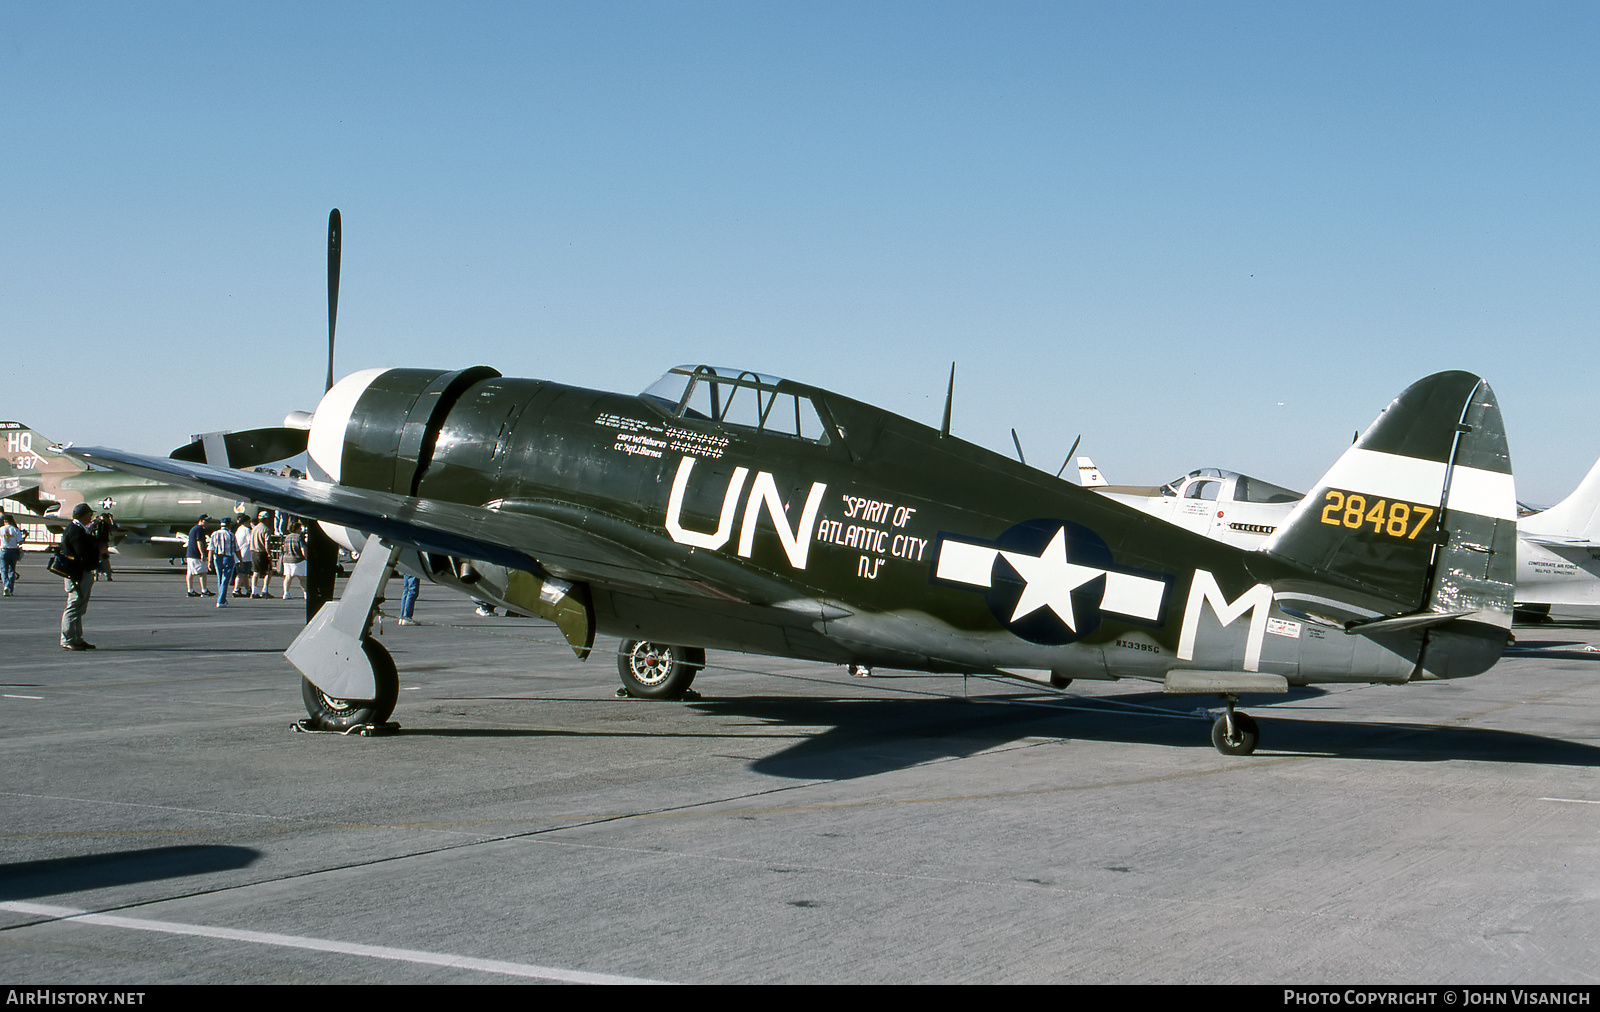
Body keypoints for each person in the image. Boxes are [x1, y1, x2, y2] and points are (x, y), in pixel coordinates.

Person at [59, 503, 98, 649]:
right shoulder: (75, 531)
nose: (91, 517)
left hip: (80, 572)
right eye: (89, 514)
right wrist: (95, 550)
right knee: (74, 606)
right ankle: (68, 639)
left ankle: (76, 637)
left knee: (79, 607)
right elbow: (82, 552)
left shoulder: (77, 529)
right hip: (77, 574)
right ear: (83, 515)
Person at [208, 516, 237, 607]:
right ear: (228, 525)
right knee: (225, 579)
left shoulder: (214, 534)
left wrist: (209, 561)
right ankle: (220, 600)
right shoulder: (231, 535)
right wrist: (240, 560)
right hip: (228, 557)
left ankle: (223, 599)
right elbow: (236, 549)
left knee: (220, 578)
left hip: (217, 557)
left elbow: (211, 548)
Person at [185, 514, 212, 597]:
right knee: (203, 572)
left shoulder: (194, 529)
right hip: (196, 555)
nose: (207, 523)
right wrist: (203, 553)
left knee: (190, 572)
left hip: (190, 554)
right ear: (201, 520)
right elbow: (199, 541)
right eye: (205, 521)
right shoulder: (199, 529)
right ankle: (204, 590)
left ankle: (190, 590)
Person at [280, 520, 307, 600]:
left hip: (287, 559)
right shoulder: (299, 537)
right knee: (302, 578)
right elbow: (303, 548)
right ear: (297, 529)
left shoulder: (287, 537)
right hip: (297, 559)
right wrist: (306, 557)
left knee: (288, 577)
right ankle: (306, 594)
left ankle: (286, 593)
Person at [250, 511, 273, 597]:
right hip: (262, 552)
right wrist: (269, 553)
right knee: (268, 571)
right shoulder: (266, 529)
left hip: (253, 551)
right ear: (266, 519)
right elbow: (266, 543)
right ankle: (264, 590)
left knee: (255, 572)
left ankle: (254, 591)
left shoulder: (254, 528)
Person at [1, 513, 24, 597]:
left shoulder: (1, 529)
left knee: (4, 570)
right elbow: (20, 541)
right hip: (13, 551)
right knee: (12, 570)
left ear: (4, 521)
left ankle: (5, 585)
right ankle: (10, 589)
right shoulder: (15, 530)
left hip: (3, 550)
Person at [91, 512, 115, 581]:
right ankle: (108, 576)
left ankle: (96, 576)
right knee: (105, 561)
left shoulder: (97, 524)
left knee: (97, 561)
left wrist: (94, 520)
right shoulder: (107, 525)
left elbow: (88, 527)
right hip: (103, 545)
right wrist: (111, 520)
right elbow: (114, 528)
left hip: (97, 545)